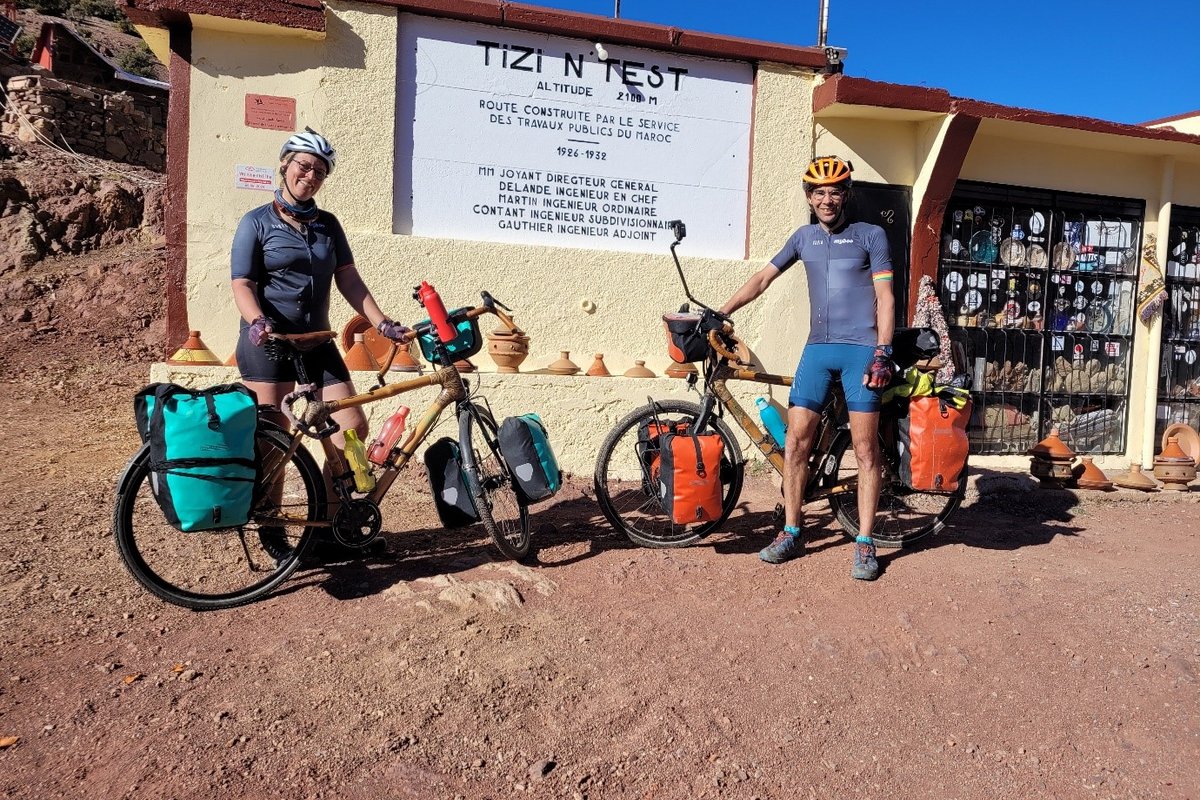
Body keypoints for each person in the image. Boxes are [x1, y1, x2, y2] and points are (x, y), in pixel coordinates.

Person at [230, 129, 408, 559]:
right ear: (286, 165)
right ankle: (271, 529)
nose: (310, 176)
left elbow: (348, 279)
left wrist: (382, 323)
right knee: (273, 438)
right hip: (269, 343)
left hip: (317, 342)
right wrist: (257, 320)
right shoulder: (256, 222)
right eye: (304, 166)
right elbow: (242, 283)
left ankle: (329, 527)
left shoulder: (328, 225)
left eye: (320, 172)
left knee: (353, 425)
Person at [718, 155, 895, 581]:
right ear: (809, 197)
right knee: (796, 444)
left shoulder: (870, 235)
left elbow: (886, 298)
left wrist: (883, 351)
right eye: (819, 192)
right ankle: (792, 531)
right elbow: (762, 279)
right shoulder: (803, 238)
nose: (826, 199)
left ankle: (865, 542)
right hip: (817, 350)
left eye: (834, 191)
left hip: (860, 351)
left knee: (865, 450)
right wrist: (722, 312)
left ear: (846, 195)